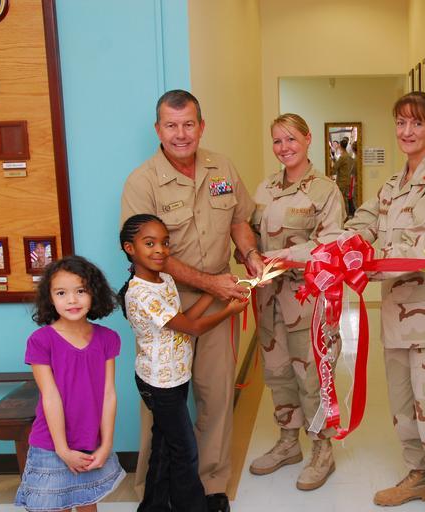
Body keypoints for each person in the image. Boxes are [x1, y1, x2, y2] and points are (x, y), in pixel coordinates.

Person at [121, 89, 262, 512]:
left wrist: (249, 253)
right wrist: (210, 284)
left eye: (188, 124)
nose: (180, 134)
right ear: (158, 129)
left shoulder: (222, 168)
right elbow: (150, 253)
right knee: (162, 405)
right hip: (164, 302)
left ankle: (210, 485)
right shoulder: (142, 182)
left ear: (201, 126)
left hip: (219, 298)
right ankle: (155, 490)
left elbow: (239, 219)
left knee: (215, 395)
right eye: (171, 125)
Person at [345, 91, 425, 512]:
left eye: (417, 123)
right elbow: (363, 223)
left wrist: (361, 268)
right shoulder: (393, 186)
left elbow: (417, 249)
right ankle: (419, 477)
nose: (407, 131)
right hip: (397, 321)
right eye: (401, 122)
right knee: (403, 407)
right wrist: (334, 250)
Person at [119, 214, 248, 512]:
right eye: (149, 243)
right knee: (185, 451)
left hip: (175, 377)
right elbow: (193, 328)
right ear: (130, 248)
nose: (160, 250)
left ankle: (153, 506)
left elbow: (183, 320)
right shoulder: (141, 293)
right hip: (159, 384)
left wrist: (212, 292)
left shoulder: (164, 280)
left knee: (164, 445)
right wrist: (229, 311)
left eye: (165, 243)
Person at [247, 114, 345, 490]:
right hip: (269, 298)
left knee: (313, 377)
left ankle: (322, 449)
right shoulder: (265, 188)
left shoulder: (325, 190)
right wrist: (250, 255)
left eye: (291, 139)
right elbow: (250, 234)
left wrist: (288, 255)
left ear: (307, 139)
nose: (284, 147)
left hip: (307, 300)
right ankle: (289, 442)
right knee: (278, 374)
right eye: (277, 141)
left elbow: (331, 243)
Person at [14, 255, 126, 512]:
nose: (72, 300)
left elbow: (109, 394)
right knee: (57, 506)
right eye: (61, 293)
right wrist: (62, 450)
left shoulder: (107, 338)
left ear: (94, 293)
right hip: (51, 444)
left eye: (81, 291)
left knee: (87, 505)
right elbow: (50, 396)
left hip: (90, 441)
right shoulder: (41, 340)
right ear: (50, 298)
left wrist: (106, 444)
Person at [332, 137, 354, 204]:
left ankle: (344, 211)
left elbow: (334, 168)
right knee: (345, 199)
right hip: (347, 181)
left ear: (340, 146)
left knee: (341, 200)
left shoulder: (342, 157)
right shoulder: (349, 156)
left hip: (342, 182)